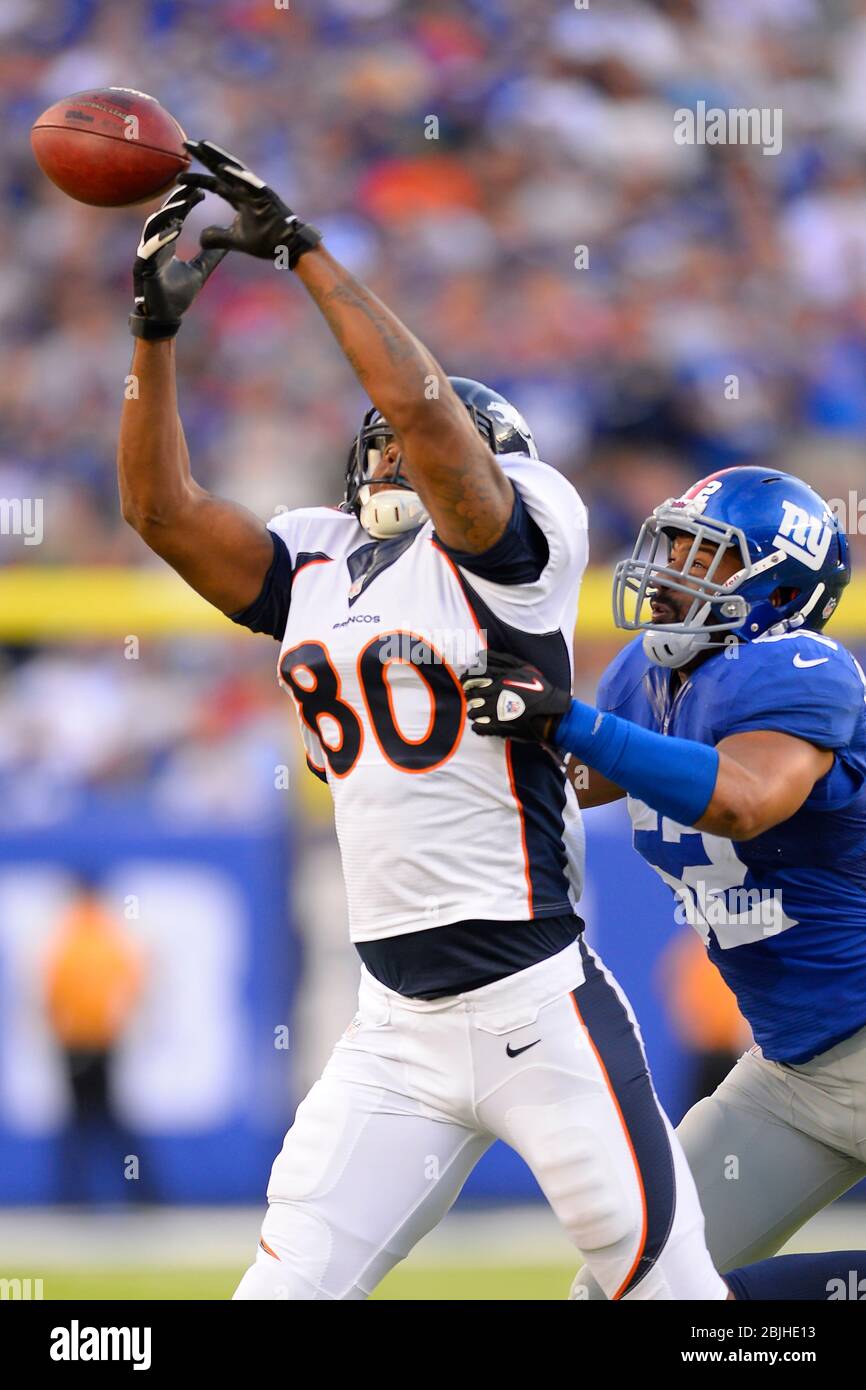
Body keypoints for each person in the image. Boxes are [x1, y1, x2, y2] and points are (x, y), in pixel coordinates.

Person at [116, 143, 727, 1301]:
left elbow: (425, 411)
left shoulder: (514, 546)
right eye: (378, 441)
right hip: (391, 1024)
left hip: (533, 996)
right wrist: (150, 341)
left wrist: (302, 250)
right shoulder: (316, 557)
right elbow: (158, 509)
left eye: (414, 438)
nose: (393, 445)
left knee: (665, 1290)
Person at [460, 465, 866, 1296]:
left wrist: (570, 720)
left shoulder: (802, 667)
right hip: (793, 1074)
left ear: (779, 587)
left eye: (704, 554)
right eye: (674, 541)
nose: (670, 567)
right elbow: (553, 784)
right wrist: (413, 754)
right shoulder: (647, 678)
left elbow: (745, 801)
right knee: (631, 1289)